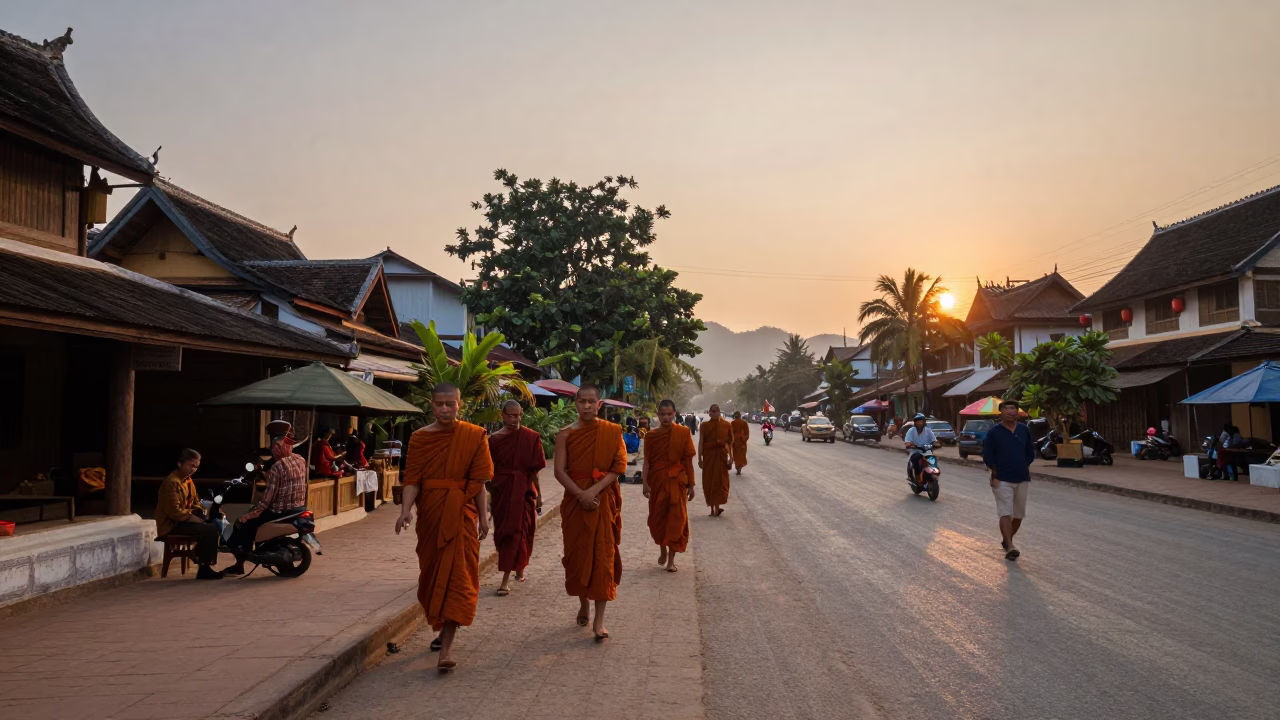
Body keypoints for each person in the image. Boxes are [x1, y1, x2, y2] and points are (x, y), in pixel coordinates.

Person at [395, 382, 493, 672]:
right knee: (431, 575)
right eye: (439, 404)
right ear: (432, 405)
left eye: (450, 404)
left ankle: (446, 648)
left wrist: (485, 517)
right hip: (431, 516)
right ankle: (441, 629)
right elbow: (412, 479)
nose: (445, 409)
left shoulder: (474, 436)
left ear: (459, 404)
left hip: (461, 512)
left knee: (459, 576)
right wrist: (404, 511)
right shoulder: (420, 438)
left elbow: (480, 482)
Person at [554, 383, 626, 641]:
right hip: (575, 503)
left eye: (590, 401)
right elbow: (559, 471)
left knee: (602, 559)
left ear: (599, 404)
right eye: (581, 401)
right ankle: (583, 603)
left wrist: (592, 492)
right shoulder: (565, 435)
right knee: (578, 556)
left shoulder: (612, 431)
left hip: (602, 500)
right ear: (575, 404)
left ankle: (599, 621)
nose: (586, 405)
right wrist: (580, 494)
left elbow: (618, 467)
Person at [222, 433, 309, 576]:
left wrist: (250, 514)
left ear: (276, 448)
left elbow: (267, 499)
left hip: (280, 510)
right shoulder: (301, 459)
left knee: (243, 523)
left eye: (275, 448)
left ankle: (240, 561)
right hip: (297, 507)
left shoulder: (277, 467)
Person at [488, 400, 545, 596]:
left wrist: (539, 496)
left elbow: (534, 471)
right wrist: (488, 496)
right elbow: (487, 471)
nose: (515, 419)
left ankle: (508, 577)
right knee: (504, 533)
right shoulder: (493, 440)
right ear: (502, 415)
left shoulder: (531, 437)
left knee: (523, 530)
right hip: (502, 490)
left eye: (519, 415)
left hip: (524, 489)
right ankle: (515, 569)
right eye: (511, 415)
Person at [643, 399, 697, 572]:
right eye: (662, 414)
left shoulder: (683, 432)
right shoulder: (651, 435)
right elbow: (647, 461)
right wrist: (644, 483)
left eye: (669, 414)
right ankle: (662, 548)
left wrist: (691, 484)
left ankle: (671, 560)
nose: (666, 417)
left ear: (674, 414)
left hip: (677, 481)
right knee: (657, 518)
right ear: (658, 415)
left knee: (676, 519)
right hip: (657, 480)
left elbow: (688, 461)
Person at [156, 449, 223, 580]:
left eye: (196, 466)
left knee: (216, 523)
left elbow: (195, 502)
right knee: (209, 529)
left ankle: (202, 559)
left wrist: (202, 513)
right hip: (172, 524)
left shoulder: (188, 480)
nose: (193, 469)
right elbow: (174, 512)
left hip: (184, 520)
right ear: (180, 464)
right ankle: (204, 568)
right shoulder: (172, 482)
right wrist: (196, 520)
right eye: (190, 465)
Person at [982, 400, 1036, 560]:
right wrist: (995, 473)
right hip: (1002, 478)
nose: (1011, 412)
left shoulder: (1024, 430)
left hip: (1022, 477)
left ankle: (1007, 540)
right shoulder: (994, 432)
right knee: (1005, 512)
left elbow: (1030, 454)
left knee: (1018, 514)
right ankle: (1010, 546)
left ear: (1017, 412)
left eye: (1013, 409)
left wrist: (1021, 465)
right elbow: (988, 455)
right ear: (1001, 413)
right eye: (1007, 409)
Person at [699, 404, 733, 517]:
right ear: (709, 413)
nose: (715, 413)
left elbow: (730, 443)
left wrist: (731, 457)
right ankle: (713, 509)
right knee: (709, 481)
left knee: (720, 481)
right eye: (712, 411)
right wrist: (699, 458)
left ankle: (716, 508)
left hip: (721, 456)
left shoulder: (727, 425)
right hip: (709, 456)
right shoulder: (704, 426)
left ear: (720, 412)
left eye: (717, 411)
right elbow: (701, 442)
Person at [903, 413, 937, 483]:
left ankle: (934, 473)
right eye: (918, 421)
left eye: (922, 421)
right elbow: (907, 442)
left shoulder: (928, 431)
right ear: (915, 422)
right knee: (917, 457)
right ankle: (918, 475)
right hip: (915, 451)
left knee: (932, 459)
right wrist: (910, 444)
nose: (920, 423)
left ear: (924, 422)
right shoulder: (911, 431)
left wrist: (937, 443)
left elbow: (934, 440)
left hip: (927, 451)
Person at [730, 410, 750, 475]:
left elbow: (730, 432)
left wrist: (731, 440)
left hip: (735, 441)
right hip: (742, 441)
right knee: (742, 455)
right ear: (740, 416)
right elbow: (747, 433)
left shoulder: (732, 423)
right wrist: (744, 439)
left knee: (736, 455)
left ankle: (737, 468)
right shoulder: (744, 423)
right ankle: (739, 468)